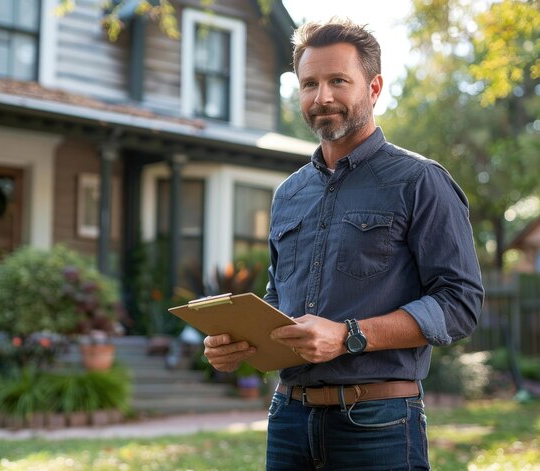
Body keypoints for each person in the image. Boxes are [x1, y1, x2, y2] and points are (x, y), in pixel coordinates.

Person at [203, 17, 484, 470]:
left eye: (338, 81)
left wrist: (349, 336)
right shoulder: (289, 194)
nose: (323, 97)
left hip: (378, 422)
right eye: (309, 83)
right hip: (288, 418)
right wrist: (239, 342)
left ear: (373, 89)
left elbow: (461, 303)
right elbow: (282, 300)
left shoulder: (420, 182)